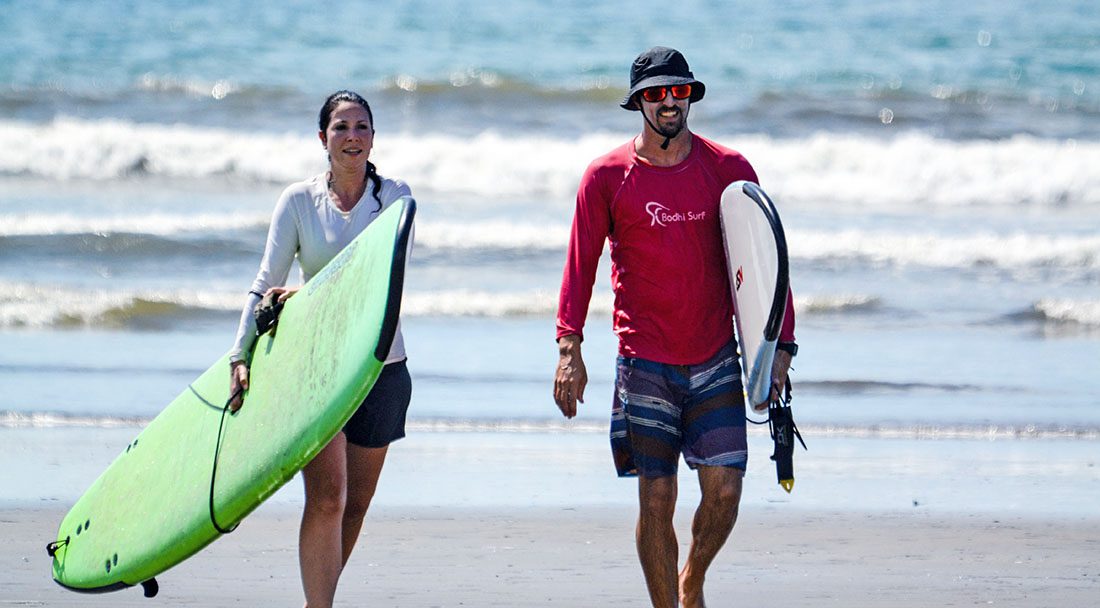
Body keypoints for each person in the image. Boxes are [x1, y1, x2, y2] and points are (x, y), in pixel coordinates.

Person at [553, 47, 797, 608]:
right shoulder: (606, 177)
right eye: (658, 93)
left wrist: (781, 345)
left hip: (716, 356)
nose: (670, 101)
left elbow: (767, 263)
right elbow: (579, 264)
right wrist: (570, 347)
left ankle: (693, 578)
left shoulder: (729, 170)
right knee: (656, 500)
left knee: (726, 492)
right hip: (645, 362)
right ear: (639, 101)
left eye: (679, 91)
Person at [227, 90, 414, 608]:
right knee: (328, 497)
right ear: (322, 138)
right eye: (340, 127)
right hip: (319, 369)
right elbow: (265, 282)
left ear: (374, 137)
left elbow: (377, 281)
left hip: (382, 368)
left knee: (356, 504)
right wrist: (239, 356)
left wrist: (307, 294)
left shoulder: (396, 199)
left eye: (361, 127)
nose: (351, 136)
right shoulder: (296, 202)